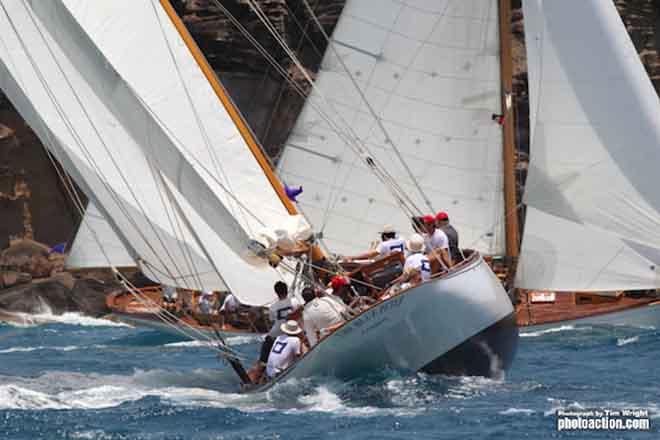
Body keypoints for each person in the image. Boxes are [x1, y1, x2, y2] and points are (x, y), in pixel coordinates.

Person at [258, 281, 302, 367]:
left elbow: (272, 321)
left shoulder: (272, 307)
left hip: (274, 336)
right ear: (287, 290)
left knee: (262, 363)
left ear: (276, 292)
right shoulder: (296, 302)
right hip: (291, 335)